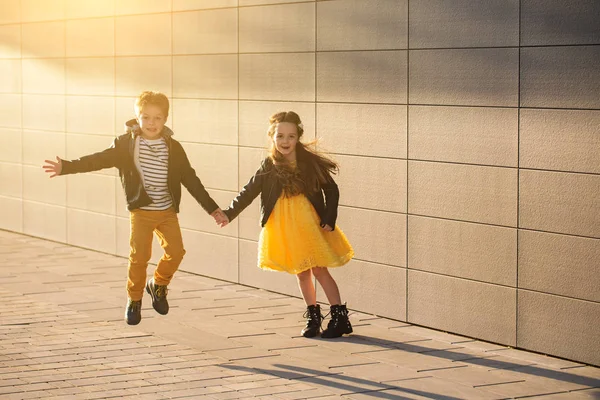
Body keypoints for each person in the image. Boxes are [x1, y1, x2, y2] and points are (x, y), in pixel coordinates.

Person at [42, 91, 226, 326]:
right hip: (141, 211)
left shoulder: (174, 147)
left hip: (167, 211)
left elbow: (190, 179)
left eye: (157, 118)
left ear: (166, 119)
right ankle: (134, 299)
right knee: (139, 257)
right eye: (146, 117)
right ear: (137, 117)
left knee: (177, 252)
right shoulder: (126, 144)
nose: (151, 123)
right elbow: (98, 159)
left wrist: (212, 209)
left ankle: (158, 284)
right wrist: (66, 167)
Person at [216, 111, 354, 338]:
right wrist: (229, 214)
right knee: (301, 272)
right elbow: (248, 192)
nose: (285, 141)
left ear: (298, 137)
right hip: (285, 225)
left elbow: (332, 190)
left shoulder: (308, 163)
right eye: (280, 136)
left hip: (310, 223)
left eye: (290, 136)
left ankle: (340, 318)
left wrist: (329, 218)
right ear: (272, 137)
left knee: (319, 269)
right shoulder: (269, 165)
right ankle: (313, 316)